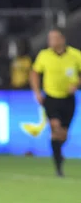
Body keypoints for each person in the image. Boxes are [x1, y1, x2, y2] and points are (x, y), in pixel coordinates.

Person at [30, 28, 81, 177]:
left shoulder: (75, 55)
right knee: (55, 128)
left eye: (54, 38)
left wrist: (77, 83)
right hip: (51, 98)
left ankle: (58, 152)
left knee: (63, 135)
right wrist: (37, 92)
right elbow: (34, 73)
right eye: (49, 38)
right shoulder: (44, 55)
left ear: (62, 39)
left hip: (68, 100)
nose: (51, 41)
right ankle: (58, 167)